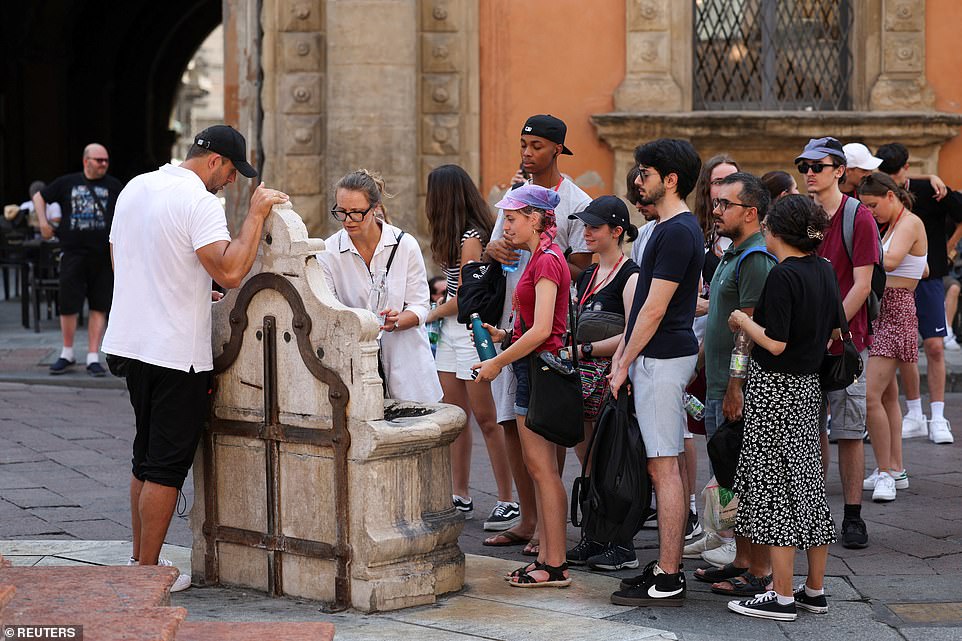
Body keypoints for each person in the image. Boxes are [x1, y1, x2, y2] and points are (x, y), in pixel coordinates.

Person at [102, 124, 287, 592]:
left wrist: (176, 286)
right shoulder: (199, 202)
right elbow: (229, 268)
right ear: (213, 162)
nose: (230, 182)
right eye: (230, 173)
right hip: (174, 352)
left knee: (144, 456)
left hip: (129, 342)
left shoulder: (135, 187)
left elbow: (118, 258)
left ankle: (138, 560)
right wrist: (255, 213)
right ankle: (147, 575)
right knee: (165, 465)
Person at [726, 194, 840, 622]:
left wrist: (742, 321)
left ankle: (782, 596)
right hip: (809, 388)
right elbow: (831, 330)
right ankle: (814, 589)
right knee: (808, 488)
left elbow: (775, 343)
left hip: (776, 390)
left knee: (774, 493)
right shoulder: (824, 270)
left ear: (776, 230)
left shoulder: (782, 276)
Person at [480, 114, 590, 555]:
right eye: (523, 144)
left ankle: (551, 534)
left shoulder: (576, 202)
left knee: (544, 435)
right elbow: (492, 246)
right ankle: (528, 519)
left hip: (543, 336)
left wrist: (546, 255)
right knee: (512, 421)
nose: (527, 153)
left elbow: (585, 262)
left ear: (557, 150)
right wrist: (499, 246)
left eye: (537, 146)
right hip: (515, 323)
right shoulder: (514, 195)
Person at [608, 138, 704, 607]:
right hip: (656, 356)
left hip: (663, 358)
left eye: (644, 172)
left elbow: (654, 308)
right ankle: (666, 566)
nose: (637, 180)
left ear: (669, 180)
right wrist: (623, 356)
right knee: (660, 463)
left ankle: (669, 575)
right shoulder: (668, 229)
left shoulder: (679, 231)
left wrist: (622, 362)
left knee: (664, 465)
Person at [472, 184, 572, 588]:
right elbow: (536, 327)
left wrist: (497, 361)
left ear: (535, 219)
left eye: (511, 218)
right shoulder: (541, 258)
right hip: (533, 366)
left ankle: (555, 563)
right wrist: (506, 336)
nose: (505, 227)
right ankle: (549, 558)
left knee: (542, 470)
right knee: (540, 469)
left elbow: (546, 329)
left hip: (540, 371)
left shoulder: (547, 261)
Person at [689, 173, 775, 598]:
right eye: (717, 203)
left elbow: (747, 328)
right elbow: (719, 327)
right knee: (728, 475)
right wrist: (699, 366)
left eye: (726, 204)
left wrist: (736, 385)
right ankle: (740, 559)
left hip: (737, 386)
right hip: (719, 382)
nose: (717, 210)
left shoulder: (755, 258)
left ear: (751, 212)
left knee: (745, 479)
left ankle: (757, 571)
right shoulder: (731, 254)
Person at [422, 164, 517, 530]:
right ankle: (460, 493)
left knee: (486, 418)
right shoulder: (455, 236)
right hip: (451, 331)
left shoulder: (471, 237)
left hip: (470, 331)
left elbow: (465, 298)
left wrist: (424, 315)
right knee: (455, 417)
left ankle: (508, 500)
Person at [800, 136, 875, 549]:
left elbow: (862, 284)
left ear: (840, 171)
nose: (810, 173)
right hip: (807, 345)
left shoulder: (857, 217)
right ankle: (814, 511)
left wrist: (833, 325)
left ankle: (852, 516)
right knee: (811, 431)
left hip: (845, 342)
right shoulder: (803, 217)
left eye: (818, 166)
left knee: (849, 429)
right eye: (804, 166)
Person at [317, 170, 441, 404]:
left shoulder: (405, 245)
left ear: (375, 208)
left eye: (356, 213)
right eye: (341, 212)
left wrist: (398, 320)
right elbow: (329, 312)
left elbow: (421, 305)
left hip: (408, 365)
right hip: (355, 369)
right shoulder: (328, 251)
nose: (347, 220)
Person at [563, 195, 640, 571]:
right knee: (589, 460)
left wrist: (586, 349)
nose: (587, 232)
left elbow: (632, 332)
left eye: (595, 227)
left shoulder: (631, 274)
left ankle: (620, 543)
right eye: (585, 225)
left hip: (613, 380)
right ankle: (594, 535)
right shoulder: (592, 273)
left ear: (617, 231)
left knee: (614, 461)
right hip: (585, 380)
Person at [876, 142, 962, 444]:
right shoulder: (879, 197)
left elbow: (960, 211)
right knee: (905, 350)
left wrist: (949, 247)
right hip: (895, 281)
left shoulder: (930, 191)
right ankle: (914, 413)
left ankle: (938, 416)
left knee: (935, 346)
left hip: (929, 277)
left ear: (905, 171)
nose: (889, 179)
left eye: (893, 174)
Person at [859, 173, 928, 502]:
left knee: (870, 396)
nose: (870, 212)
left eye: (873, 205)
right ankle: (893, 468)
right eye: (865, 207)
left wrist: (855, 249)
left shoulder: (909, 222)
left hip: (895, 313)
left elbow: (888, 261)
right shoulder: (894, 224)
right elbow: (920, 268)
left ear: (890, 196)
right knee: (886, 397)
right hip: (886, 311)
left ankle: (886, 470)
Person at [34, 143, 123, 376]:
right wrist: (43, 222)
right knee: (68, 304)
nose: (103, 164)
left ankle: (93, 355)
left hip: (102, 255)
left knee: (99, 305)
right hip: (72, 253)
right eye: (98, 160)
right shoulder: (67, 182)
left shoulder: (114, 186)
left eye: (106, 160)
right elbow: (39, 197)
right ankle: (67, 352)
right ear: (86, 161)